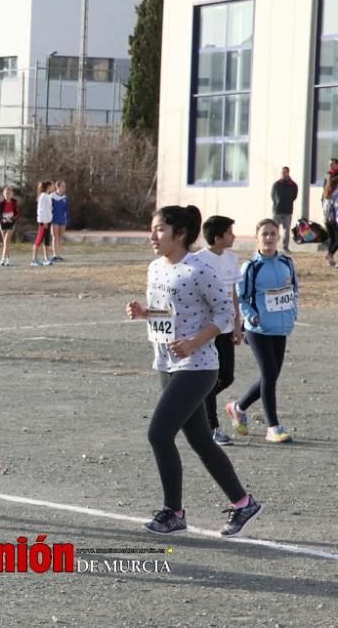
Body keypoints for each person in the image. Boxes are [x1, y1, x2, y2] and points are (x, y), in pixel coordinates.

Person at [126, 205, 262, 538]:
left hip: (198, 366)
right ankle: (243, 502)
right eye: (152, 228)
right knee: (200, 439)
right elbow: (170, 311)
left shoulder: (199, 269)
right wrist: (145, 312)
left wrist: (194, 342)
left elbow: (224, 315)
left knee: (158, 433)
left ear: (180, 234)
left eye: (159, 229)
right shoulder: (156, 268)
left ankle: (173, 512)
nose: (152, 236)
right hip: (166, 362)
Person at [225, 219, 299, 443]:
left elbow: (294, 291)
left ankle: (238, 407)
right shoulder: (251, 267)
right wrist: (252, 317)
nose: (269, 238)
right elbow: (241, 298)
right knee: (269, 374)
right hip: (258, 330)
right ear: (257, 237)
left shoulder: (287, 262)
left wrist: (293, 314)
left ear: (278, 236)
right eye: (264, 234)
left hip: (280, 327)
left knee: (272, 375)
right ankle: (273, 427)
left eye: (272, 234)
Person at [194, 216, 243, 446]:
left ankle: (195, 404)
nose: (234, 236)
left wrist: (236, 325)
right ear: (217, 237)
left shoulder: (232, 259)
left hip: (225, 328)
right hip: (206, 330)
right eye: (230, 232)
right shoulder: (197, 261)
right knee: (211, 378)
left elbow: (233, 294)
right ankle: (212, 428)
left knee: (227, 377)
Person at [271, 167, 298, 252]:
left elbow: (294, 196)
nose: (283, 174)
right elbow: (272, 195)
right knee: (274, 229)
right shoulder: (276, 184)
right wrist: (277, 202)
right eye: (282, 172)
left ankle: (285, 247)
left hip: (288, 210)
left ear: (288, 173)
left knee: (286, 230)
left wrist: (288, 202)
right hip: (277, 210)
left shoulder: (293, 185)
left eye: (285, 172)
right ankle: (273, 246)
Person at [0, 186, 21, 266]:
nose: (7, 195)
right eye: (6, 194)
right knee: (6, 243)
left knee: (6, 241)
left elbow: (18, 213)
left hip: (11, 223)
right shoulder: (1, 203)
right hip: (3, 223)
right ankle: (8, 259)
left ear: (12, 194)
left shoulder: (14, 202)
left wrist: (12, 219)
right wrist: (3, 219)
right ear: (3, 194)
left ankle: (3, 259)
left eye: (9, 193)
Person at [30, 180, 54, 267]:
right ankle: (34, 259)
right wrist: (44, 222)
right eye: (51, 186)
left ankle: (46, 259)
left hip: (48, 221)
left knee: (47, 241)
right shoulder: (43, 196)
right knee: (39, 240)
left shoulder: (47, 196)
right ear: (48, 186)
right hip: (43, 222)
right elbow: (41, 210)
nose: (53, 187)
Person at [49, 180, 69, 262]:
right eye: (62, 186)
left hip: (62, 219)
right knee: (55, 237)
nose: (64, 188)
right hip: (54, 219)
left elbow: (66, 209)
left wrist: (66, 218)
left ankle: (58, 254)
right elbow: (49, 208)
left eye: (65, 186)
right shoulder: (52, 196)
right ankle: (54, 255)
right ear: (58, 186)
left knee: (60, 237)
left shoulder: (65, 197)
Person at [322, 176, 338, 268]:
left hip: (327, 220)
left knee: (333, 239)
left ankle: (330, 259)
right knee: (337, 240)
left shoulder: (327, 194)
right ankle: (329, 254)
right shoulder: (336, 193)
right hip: (334, 220)